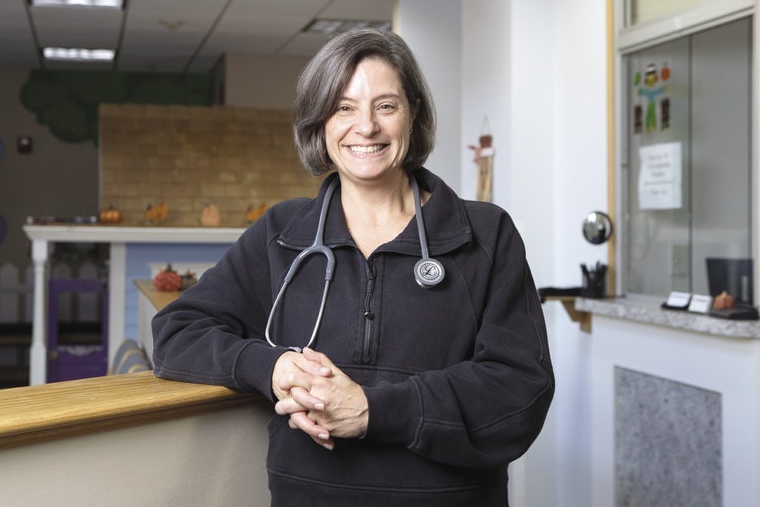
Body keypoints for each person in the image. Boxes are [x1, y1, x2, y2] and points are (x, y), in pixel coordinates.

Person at [152, 28, 554, 507]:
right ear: (319, 122)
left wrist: (372, 410)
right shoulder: (282, 233)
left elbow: (519, 389)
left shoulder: (485, 235)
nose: (366, 126)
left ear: (414, 114)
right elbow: (177, 333)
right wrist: (273, 366)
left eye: (385, 105)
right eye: (344, 107)